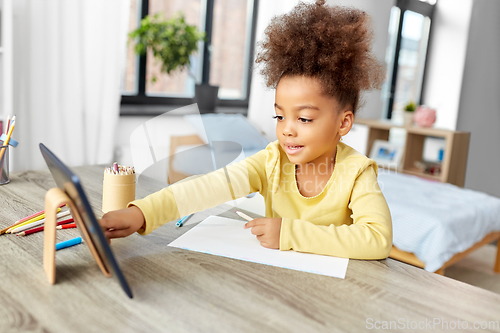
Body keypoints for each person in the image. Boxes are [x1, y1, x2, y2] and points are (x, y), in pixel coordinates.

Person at [100, 0, 392, 259]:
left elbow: (377, 239)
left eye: (303, 119)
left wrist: (289, 234)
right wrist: (141, 213)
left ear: (343, 123)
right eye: (279, 117)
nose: (287, 130)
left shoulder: (357, 172)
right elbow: (208, 186)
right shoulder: (271, 160)